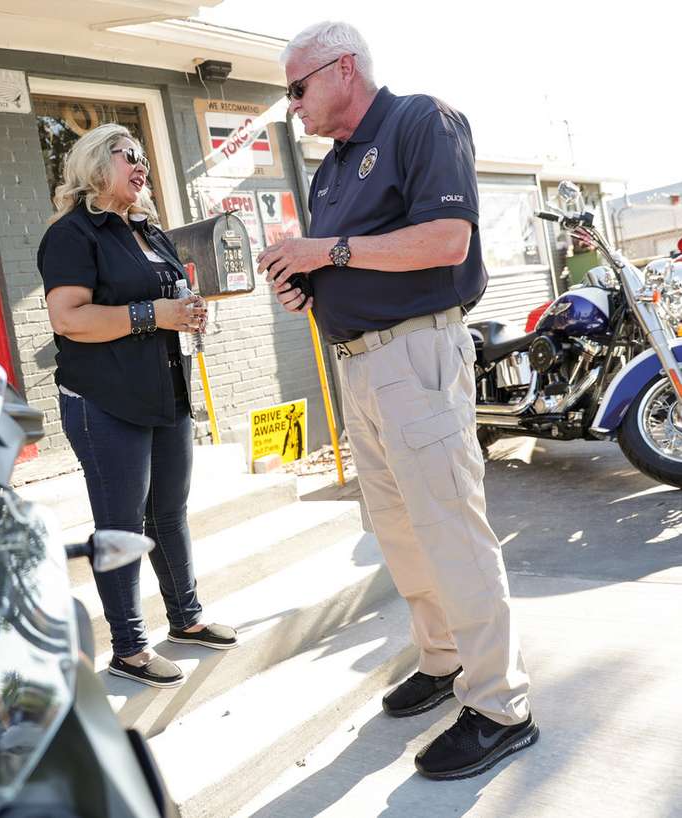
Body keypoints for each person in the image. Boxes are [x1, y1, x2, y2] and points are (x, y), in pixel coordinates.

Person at [259, 21, 536, 780]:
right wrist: (304, 284)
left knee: (451, 529)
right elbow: (341, 266)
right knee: (401, 532)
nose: (294, 106)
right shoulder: (332, 169)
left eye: (298, 87)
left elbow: (447, 239)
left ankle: (501, 704)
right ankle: (445, 658)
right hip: (358, 366)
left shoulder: (421, 121)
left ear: (342, 69)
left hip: (415, 355)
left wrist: (328, 253)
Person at [36, 123, 237, 688]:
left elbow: (170, 300)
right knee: (122, 523)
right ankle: (128, 647)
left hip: (165, 391)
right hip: (104, 401)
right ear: (97, 164)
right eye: (128, 155)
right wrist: (154, 315)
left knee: (168, 514)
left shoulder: (150, 232)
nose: (141, 163)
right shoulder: (73, 234)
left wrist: (187, 313)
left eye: (144, 155)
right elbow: (68, 318)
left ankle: (187, 620)